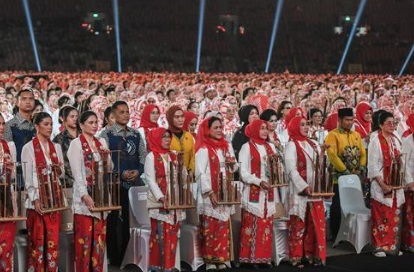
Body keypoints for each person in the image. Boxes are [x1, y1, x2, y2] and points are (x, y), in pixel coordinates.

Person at [99, 100, 147, 265]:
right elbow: (102, 161)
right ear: (113, 115)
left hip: (134, 185)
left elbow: (143, 155)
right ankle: (115, 257)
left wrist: (139, 171)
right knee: (113, 222)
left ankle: (130, 257)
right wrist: (119, 173)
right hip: (113, 185)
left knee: (132, 221)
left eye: (127, 111)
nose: (125, 115)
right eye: (121, 112)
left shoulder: (136, 134)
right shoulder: (105, 135)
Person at [67, 111, 111, 271]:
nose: (94, 126)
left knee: (99, 242)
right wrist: (84, 195)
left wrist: (106, 158)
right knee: (84, 243)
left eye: (95, 122)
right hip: (84, 199)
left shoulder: (102, 142)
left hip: (100, 195)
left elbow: (110, 169)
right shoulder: (76, 144)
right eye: (90, 122)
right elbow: (77, 173)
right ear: (81, 125)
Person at [22, 112, 65, 271]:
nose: (49, 127)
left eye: (50, 124)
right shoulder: (28, 148)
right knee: (37, 242)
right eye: (45, 124)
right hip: (37, 201)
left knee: (53, 242)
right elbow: (28, 177)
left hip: (54, 199)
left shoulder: (57, 147)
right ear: (36, 126)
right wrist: (35, 199)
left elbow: (61, 173)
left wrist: (58, 169)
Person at [195, 117, 237, 271]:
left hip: (224, 191)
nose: (219, 130)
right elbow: (200, 173)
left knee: (223, 224)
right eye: (216, 127)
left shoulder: (226, 147)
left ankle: (222, 257)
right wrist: (210, 191)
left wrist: (233, 165)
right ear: (208, 130)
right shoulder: (203, 149)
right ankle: (210, 260)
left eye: (221, 127)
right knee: (210, 226)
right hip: (210, 193)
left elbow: (233, 168)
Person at [285, 116, 326, 267]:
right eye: (302, 125)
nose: (306, 127)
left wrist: (322, 156)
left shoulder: (314, 143)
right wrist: (303, 186)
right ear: (295, 127)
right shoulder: (291, 145)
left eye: (307, 124)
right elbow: (291, 170)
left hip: (314, 191)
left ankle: (309, 254)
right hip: (299, 192)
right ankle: (295, 257)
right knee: (298, 225)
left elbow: (319, 166)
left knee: (312, 224)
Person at [238, 119, 278, 267]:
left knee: (266, 226)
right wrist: (258, 181)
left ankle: (263, 258)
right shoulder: (246, 147)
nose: (265, 131)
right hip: (253, 191)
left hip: (268, 192)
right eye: (261, 128)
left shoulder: (271, 147)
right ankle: (248, 259)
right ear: (254, 129)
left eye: (266, 128)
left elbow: (276, 169)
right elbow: (243, 172)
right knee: (251, 225)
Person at [145, 127, 185, 272]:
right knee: (161, 236)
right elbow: (150, 180)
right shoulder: (151, 156)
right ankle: (158, 268)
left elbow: (182, 176)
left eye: (169, 137)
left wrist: (182, 166)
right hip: (159, 203)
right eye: (164, 137)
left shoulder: (173, 155)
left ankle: (170, 266)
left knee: (173, 235)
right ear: (156, 138)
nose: (168, 140)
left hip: (174, 201)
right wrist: (162, 198)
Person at [325, 107, 366, 241]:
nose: (349, 122)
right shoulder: (333, 135)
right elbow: (332, 155)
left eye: (351, 120)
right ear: (340, 120)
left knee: (354, 205)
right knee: (337, 205)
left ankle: (351, 234)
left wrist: (360, 167)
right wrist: (345, 171)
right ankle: (336, 234)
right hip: (339, 178)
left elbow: (363, 153)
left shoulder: (356, 135)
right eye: (347, 120)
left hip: (355, 177)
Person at [367, 111, 405, 257]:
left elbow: (401, 159)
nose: (391, 125)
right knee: (381, 214)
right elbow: (372, 165)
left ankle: (392, 246)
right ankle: (378, 246)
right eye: (388, 123)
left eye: (393, 122)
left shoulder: (396, 139)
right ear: (381, 124)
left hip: (395, 183)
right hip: (381, 183)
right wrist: (382, 184)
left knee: (394, 213)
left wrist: (401, 160)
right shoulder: (375, 140)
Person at [4, 89, 36, 188]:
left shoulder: (38, 124)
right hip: (19, 176)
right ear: (17, 102)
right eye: (24, 99)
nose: (28, 102)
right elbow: (6, 152)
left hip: (38, 173)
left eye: (31, 99)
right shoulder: (9, 125)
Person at [0, 113, 17, 271]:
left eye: (3, 123)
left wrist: (11, 168)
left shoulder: (8, 146)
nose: (1, 127)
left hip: (6, 197)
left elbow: (12, 176)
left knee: (7, 242)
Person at [165, 105, 195, 174]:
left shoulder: (189, 136)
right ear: (170, 118)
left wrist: (190, 172)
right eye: (177, 117)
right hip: (171, 176)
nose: (180, 119)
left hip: (189, 178)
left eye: (182, 116)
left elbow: (193, 156)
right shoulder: (165, 136)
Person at [401, 113, 414, 252]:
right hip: (411, 185)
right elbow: (403, 164)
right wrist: (410, 181)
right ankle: (410, 243)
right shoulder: (407, 141)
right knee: (410, 215)